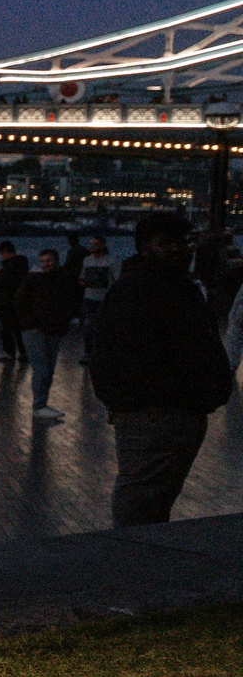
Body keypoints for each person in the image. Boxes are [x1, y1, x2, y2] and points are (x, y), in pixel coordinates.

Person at [88, 213, 234, 526]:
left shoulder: (166, 287)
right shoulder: (144, 290)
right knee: (143, 500)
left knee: (153, 498)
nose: (178, 249)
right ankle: (135, 563)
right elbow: (122, 355)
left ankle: (141, 561)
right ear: (144, 248)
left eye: (183, 242)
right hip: (158, 413)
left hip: (173, 411)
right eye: (166, 243)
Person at [20, 248, 80, 419]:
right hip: (35, 331)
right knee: (42, 369)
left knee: (49, 369)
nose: (46, 264)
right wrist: (31, 323)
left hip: (53, 330)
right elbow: (20, 302)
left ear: (57, 261)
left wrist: (64, 324)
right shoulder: (33, 280)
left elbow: (67, 302)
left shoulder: (63, 280)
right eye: (44, 261)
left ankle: (42, 404)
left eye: (49, 260)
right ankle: (39, 405)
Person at [0, 241, 29, 361]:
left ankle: (10, 353)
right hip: (18, 300)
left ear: (5, 252)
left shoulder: (9, 266)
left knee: (7, 328)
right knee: (18, 328)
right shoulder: (22, 265)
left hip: (6, 301)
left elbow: (4, 281)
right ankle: (23, 352)